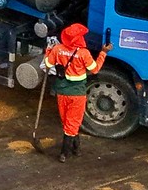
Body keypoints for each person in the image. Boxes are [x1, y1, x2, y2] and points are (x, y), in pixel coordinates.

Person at [42, 22, 108, 161]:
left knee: (67, 121)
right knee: (72, 123)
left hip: (61, 92)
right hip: (77, 94)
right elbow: (95, 69)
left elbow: (47, 65)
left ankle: (76, 148)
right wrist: (103, 53)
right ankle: (64, 153)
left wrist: (48, 51)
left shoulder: (58, 49)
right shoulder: (84, 53)